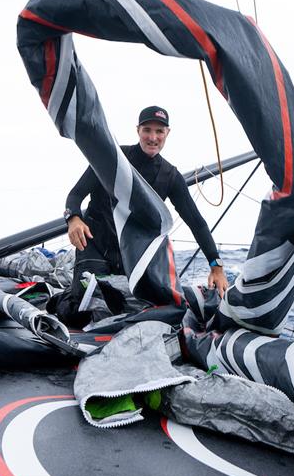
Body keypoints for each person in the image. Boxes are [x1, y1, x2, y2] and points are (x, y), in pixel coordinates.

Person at [62, 105, 228, 319]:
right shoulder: (113, 157)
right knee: (80, 313)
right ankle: (64, 298)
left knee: (127, 309)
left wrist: (216, 266)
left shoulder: (170, 176)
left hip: (131, 259)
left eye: (159, 131)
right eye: (147, 130)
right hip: (94, 246)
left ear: (167, 133)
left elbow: (197, 223)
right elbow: (75, 195)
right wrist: (73, 218)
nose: (153, 137)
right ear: (138, 130)